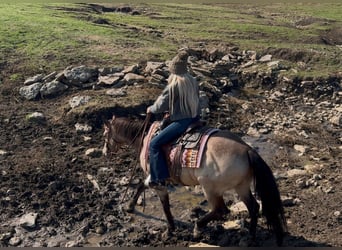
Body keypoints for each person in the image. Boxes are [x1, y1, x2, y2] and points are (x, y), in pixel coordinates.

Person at [144, 50, 201, 190]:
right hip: (195, 118)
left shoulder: (173, 86)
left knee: (154, 144)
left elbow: (160, 105)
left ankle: (159, 179)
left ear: (173, 72)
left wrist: (150, 109)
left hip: (181, 122)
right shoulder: (192, 81)